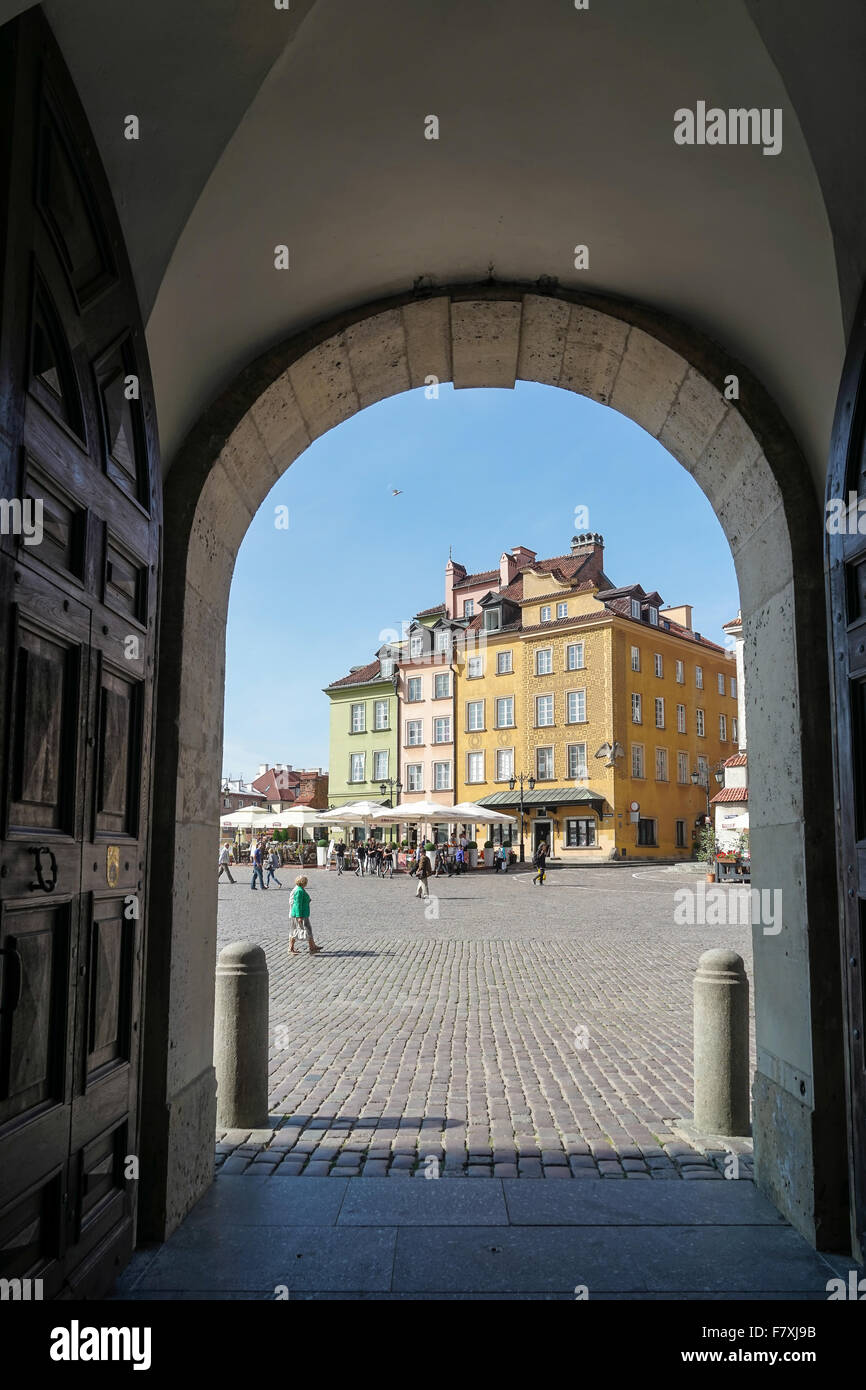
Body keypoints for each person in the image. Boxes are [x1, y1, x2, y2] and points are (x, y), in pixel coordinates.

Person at [288, 875, 321, 954]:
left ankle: (312, 946)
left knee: (308, 929)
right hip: (299, 915)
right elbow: (297, 904)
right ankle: (291, 948)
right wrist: (299, 916)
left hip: (303, 913)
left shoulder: (301, 889)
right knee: (295, 930)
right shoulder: (299, 891)